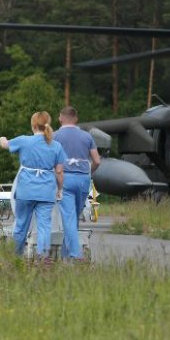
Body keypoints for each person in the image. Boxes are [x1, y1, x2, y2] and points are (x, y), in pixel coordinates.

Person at [0, 111, 66, 260]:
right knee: (44, 227)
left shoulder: (23, 141)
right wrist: (60, 190)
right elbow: (59, 172)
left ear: (33, 125)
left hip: (25, 191)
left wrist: (2, 139)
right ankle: (43, 258)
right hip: (47, 191)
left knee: (21, 225)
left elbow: (5, 144)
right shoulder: (56, 146)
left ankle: (16, 258)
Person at [54, 106, 101, 261]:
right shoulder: (87, 136)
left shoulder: (54, 136)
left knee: (68, 219)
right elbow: (97, 161)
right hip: (83, 180)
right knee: (73, 219)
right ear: (76, 118)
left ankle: (77, 255)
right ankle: (65, 257)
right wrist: (88, 171)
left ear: (61, 118)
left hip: (64, 179)